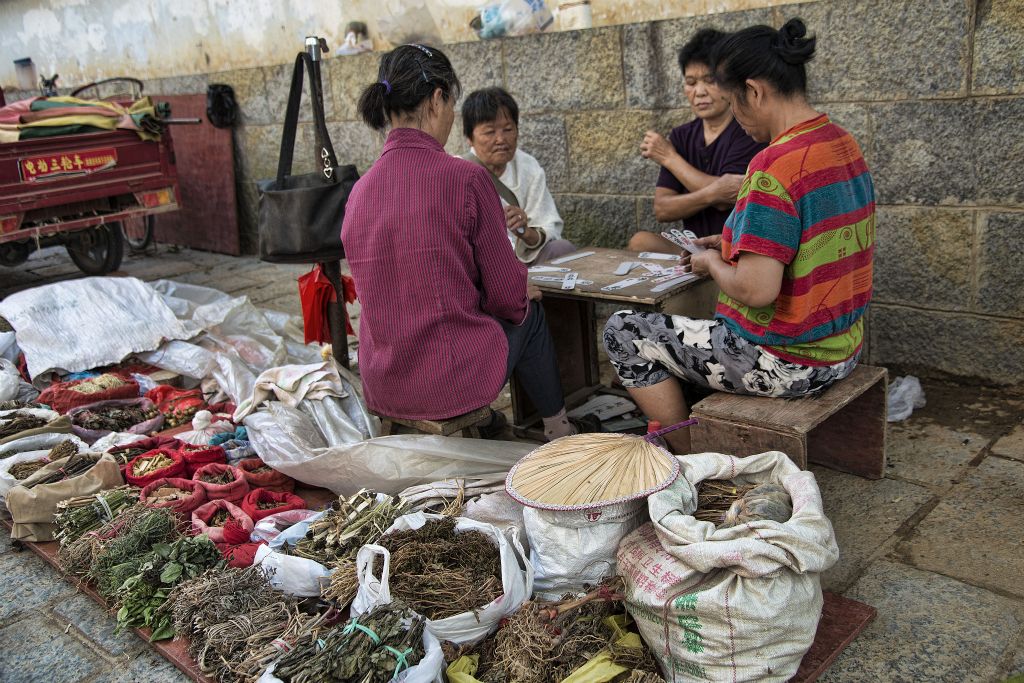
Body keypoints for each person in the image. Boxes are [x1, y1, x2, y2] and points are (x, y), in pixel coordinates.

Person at [604, 18, 875, 453]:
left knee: (624, 330)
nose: (736, 116)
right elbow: (799, 243)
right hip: (845, 348)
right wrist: (727, 245)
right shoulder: (842, 143)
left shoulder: (773, 165)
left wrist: (712, 262)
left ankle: (686, 454)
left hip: (789, 362)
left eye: (733, 102)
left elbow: (756, 289)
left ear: (754, 92)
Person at [341, 44, 595, 441]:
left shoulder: (359, 192)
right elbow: (506, 298)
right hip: (446, 383)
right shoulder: (465, 179)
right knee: (528, 311)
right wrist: (520, 288)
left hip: (383, 381)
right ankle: (558, 429)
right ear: (438, 98)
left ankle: (494, 423)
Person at [629, 28, 765, 252]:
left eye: (710, 80)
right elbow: (663, 209)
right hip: (693, 247)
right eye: (691, 82)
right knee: (640, 241)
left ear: (729, 81)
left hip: (734, 248)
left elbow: (727, 198)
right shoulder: (681, 135)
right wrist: (712, 191)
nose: (699, 92)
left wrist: (670, 158)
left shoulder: (749, 130)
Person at [461, 87, 575, 264]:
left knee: (562, 249)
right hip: (484, 264)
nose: (501, 139)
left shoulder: (527, 166)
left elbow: (549, 224)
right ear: (469, 137)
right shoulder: (457, 172)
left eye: (507, 129)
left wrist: (526, 232)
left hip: (524, 258)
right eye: (490, 132)